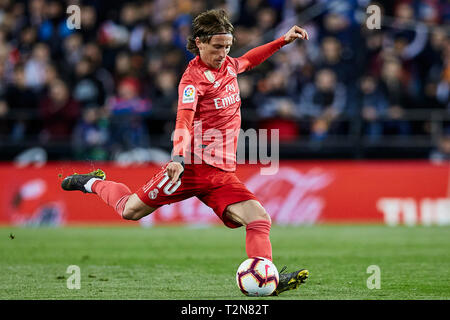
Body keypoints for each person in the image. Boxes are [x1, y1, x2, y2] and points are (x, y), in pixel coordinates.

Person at [61, 9, 309, 296]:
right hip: (189, 167)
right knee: (130, 210)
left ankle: (267, 278)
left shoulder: (228, 65)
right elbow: (183, 121)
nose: (223, 53)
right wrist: (177, 158)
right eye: (217, 47)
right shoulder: (192, 81)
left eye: (227, 46)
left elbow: (248, 59)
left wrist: (282, 41)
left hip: (220, 174)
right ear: (200, 42)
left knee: (259, 218)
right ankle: (91, 182)